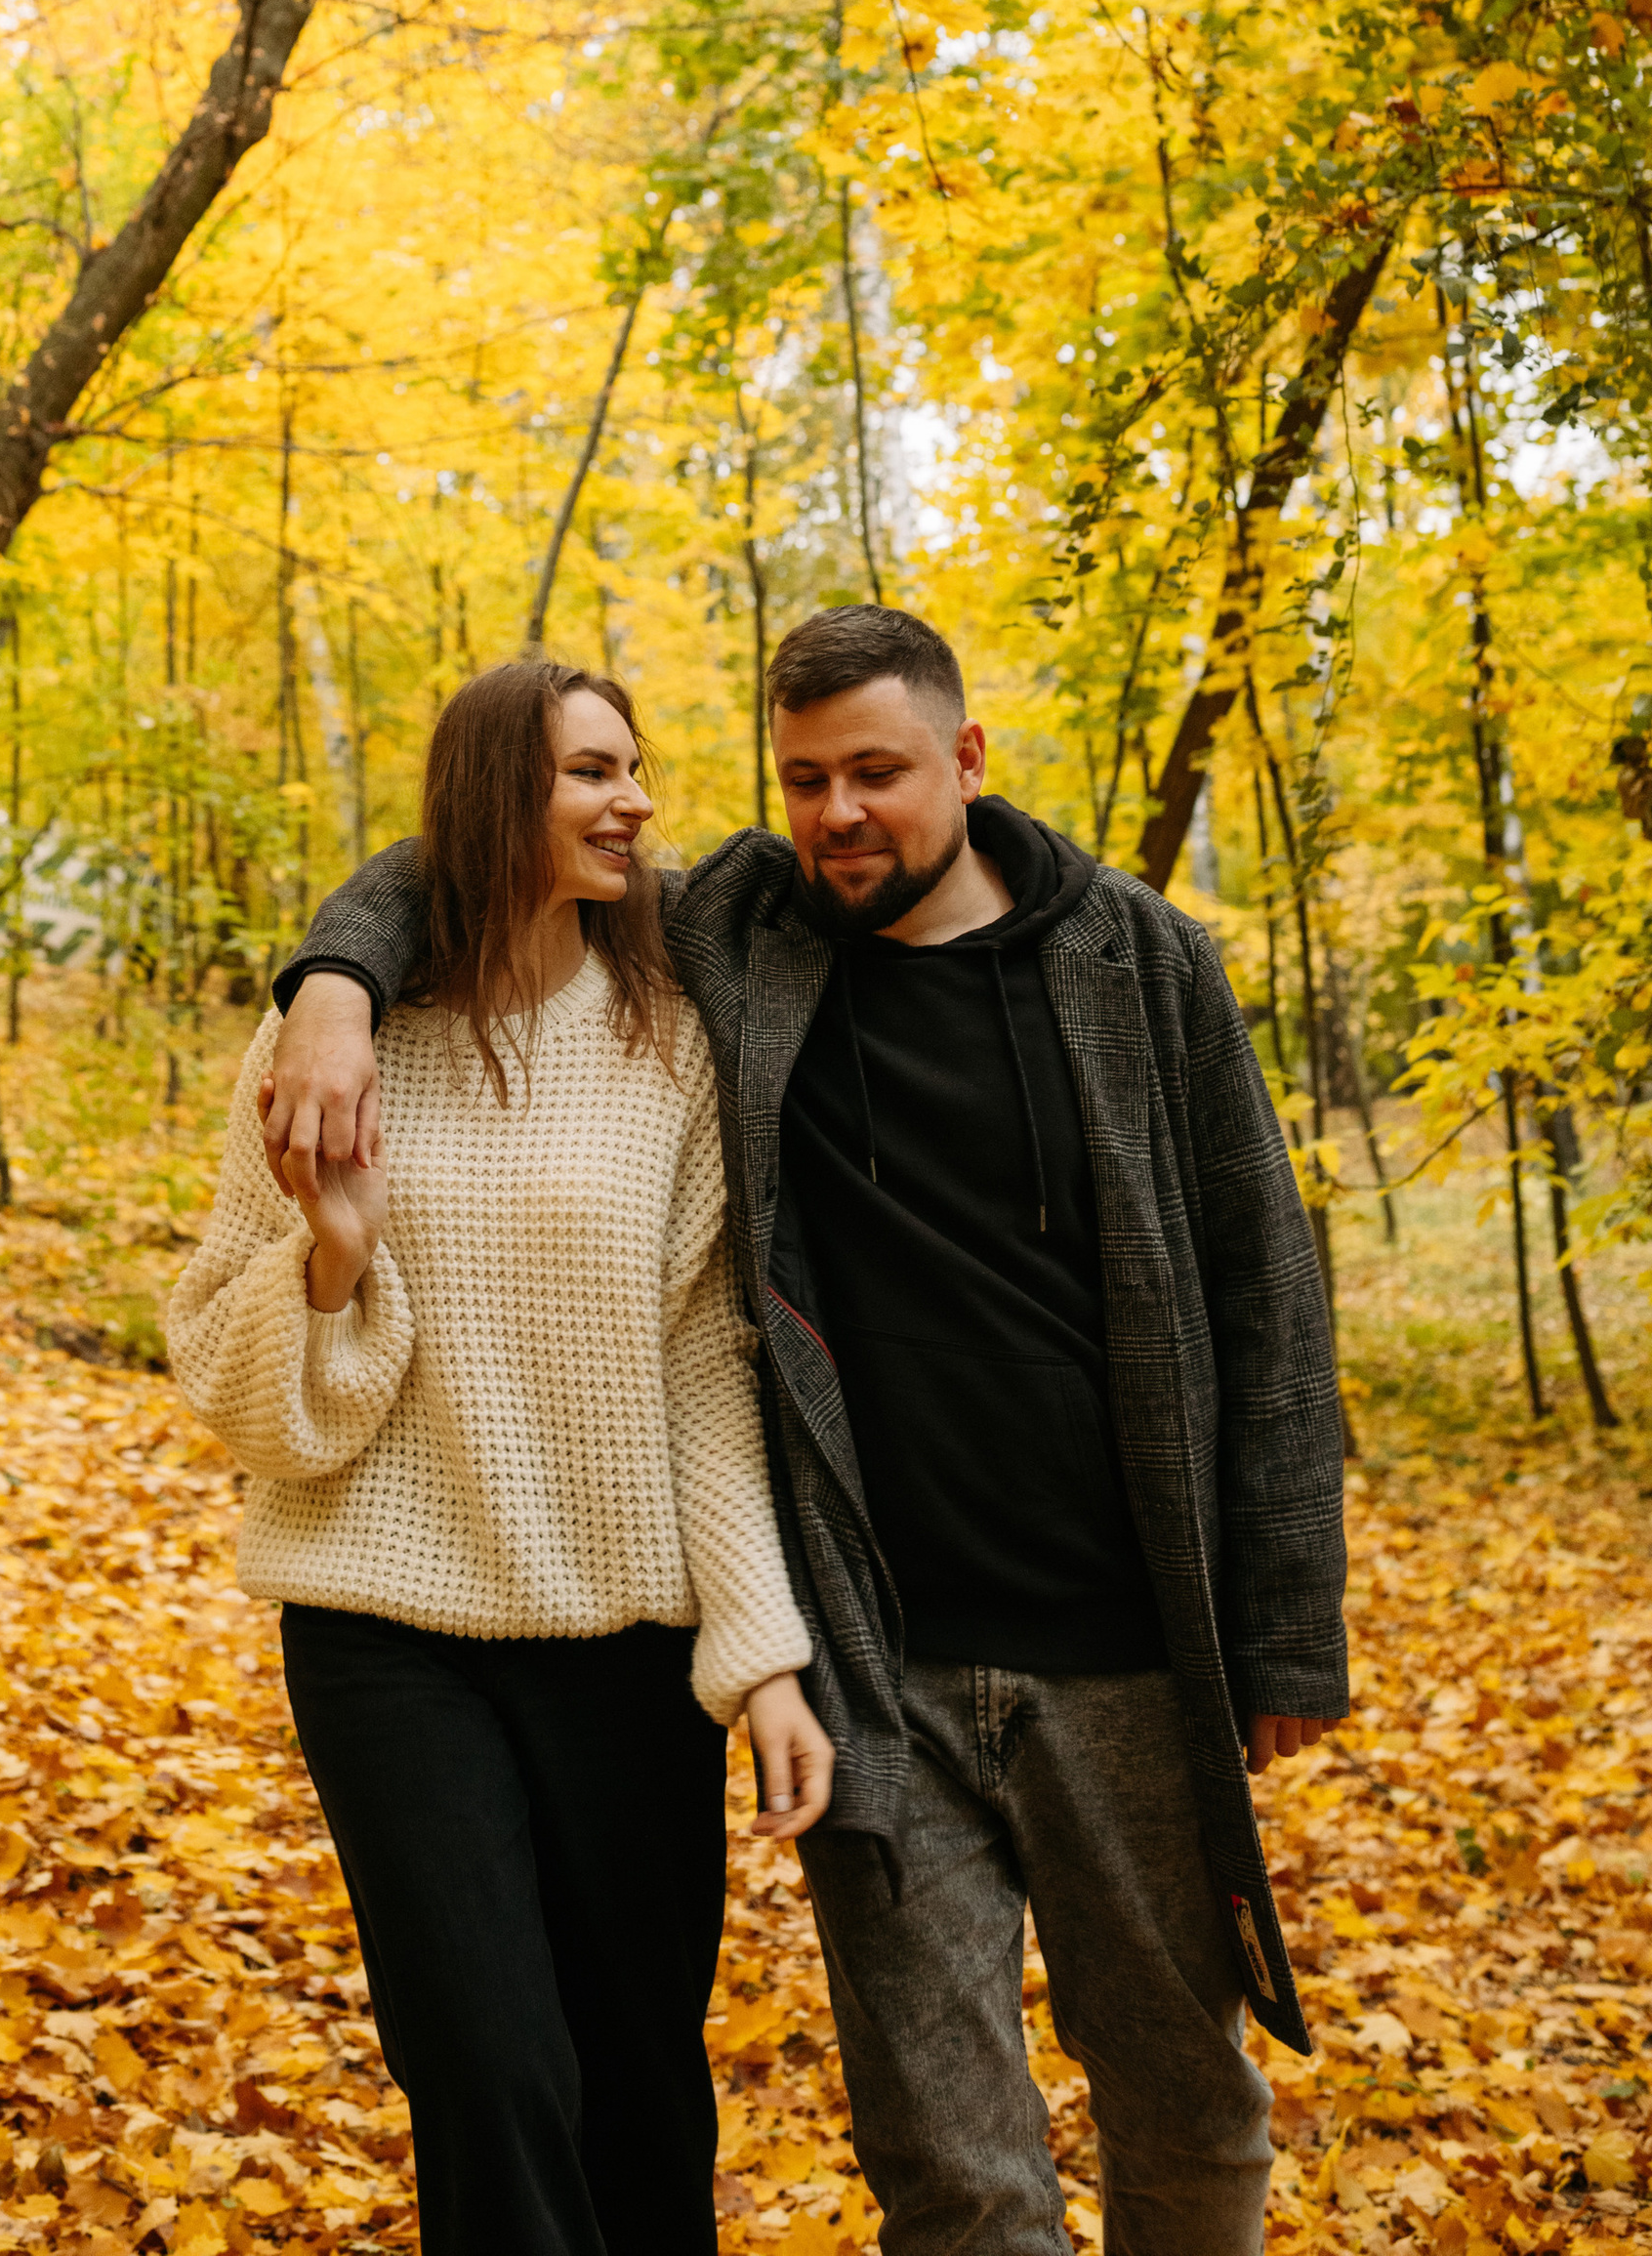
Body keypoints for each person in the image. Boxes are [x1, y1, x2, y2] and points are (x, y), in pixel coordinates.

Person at [264, 603, 1351, 2256]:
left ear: (968, 761)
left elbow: (1269, 1295)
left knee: (1186, 2105)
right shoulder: (752, 938)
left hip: (1126, 1649)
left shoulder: (1140, 960)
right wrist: (334, 983)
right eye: (804, 780)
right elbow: (486, 849)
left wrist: (1283, 1630)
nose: (840, 814)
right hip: (876, 1657)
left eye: (878, 773)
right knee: (951, 2161)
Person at [168, 657, 834, 2256]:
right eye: (592, 774)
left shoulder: (673, 1036)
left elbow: (700, 1366)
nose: (639, 803)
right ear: (495, 799)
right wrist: (329, 1258)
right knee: (489, 2076)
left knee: (641, 2090)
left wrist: (764, 1663)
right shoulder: (329, 1045)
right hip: (389, 1642)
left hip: (624, 1646)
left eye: (637, 767)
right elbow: (229, 1383)